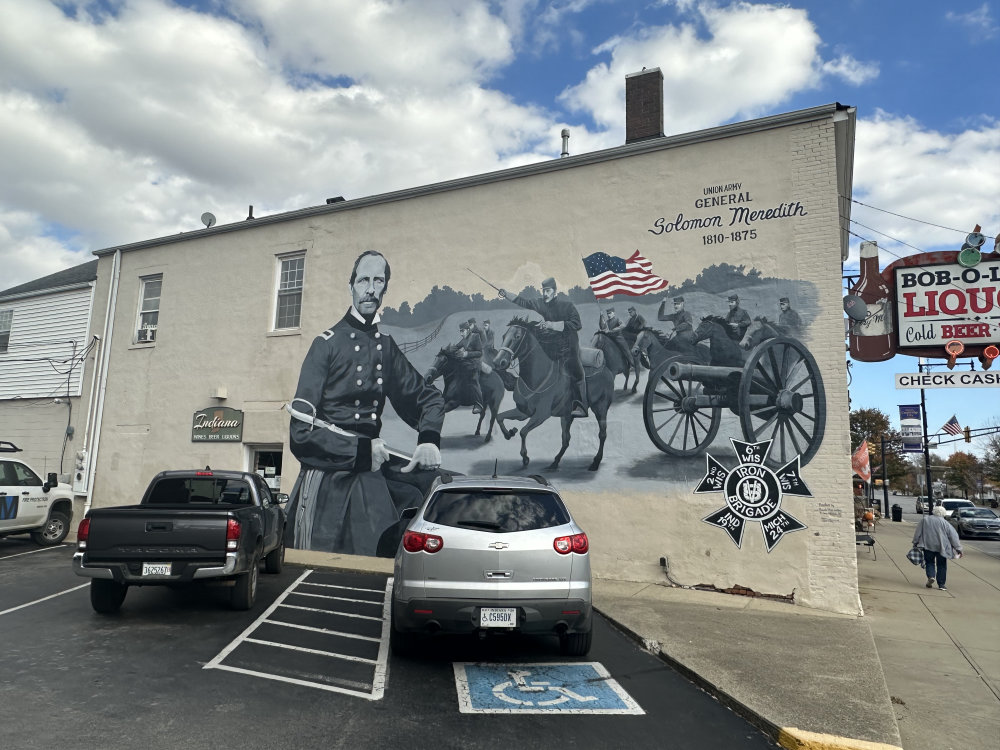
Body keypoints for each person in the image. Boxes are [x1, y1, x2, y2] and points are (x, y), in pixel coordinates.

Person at [285, 250, 445, 557]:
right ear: (351, 286)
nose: (370, 288)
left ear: (385, 289)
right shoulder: (326, 344)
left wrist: (428, 439)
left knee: (435, 491)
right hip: (330, 477)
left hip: (372, 471)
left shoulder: (385, 347)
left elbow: (428, 398)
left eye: (378, 281)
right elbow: (300, 435)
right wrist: (360, 452)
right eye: (364, 280)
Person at [499, 277, 587, 418]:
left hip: (568, 344)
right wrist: (506, 294)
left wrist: (553, 325)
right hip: (551, 342)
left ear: (554, 291)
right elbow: (523, 302)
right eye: (544, 290)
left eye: (548, 291)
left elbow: (577, 324)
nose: (545, 293)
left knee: (576, 370)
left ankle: (581, 405)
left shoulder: (567, 306)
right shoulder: (540, 303)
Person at [912, 504, 963, 590]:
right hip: (942, 547)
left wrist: (915, 542)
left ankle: (931, 576)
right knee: (942, 565)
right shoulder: (945, 523)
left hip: (927, 545)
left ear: (933, 512)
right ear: (943, 513)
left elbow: (918, 532)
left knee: (929, 562)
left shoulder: (925, 520)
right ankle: (941, 584)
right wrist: (958, 548)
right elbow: (953, 536)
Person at [457, 318, 484, 414]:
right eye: (460, 331)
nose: (461, 333)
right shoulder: (463, 339)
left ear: (468, 330)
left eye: (462, 331)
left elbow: (480, 352)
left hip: (475, 364)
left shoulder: (475, 336)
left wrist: (467, 354)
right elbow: (456, 347)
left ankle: (479, 405)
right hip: (465, 364)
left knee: (473, 380)